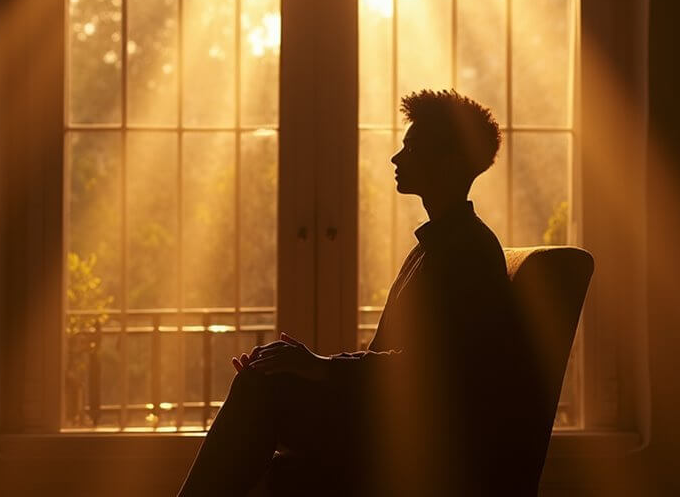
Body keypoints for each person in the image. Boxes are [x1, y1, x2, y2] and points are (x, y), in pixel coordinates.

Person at [178, 89, 529, 497]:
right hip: (402, 425)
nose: (396, 159)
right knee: (264, 384)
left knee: (263, 392)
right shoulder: (439, 246)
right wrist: (306, 369)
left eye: (411, 147)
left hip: (421, 440)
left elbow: (430, 374)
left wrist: (320, 367)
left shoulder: (464, 253)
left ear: (450, 161)